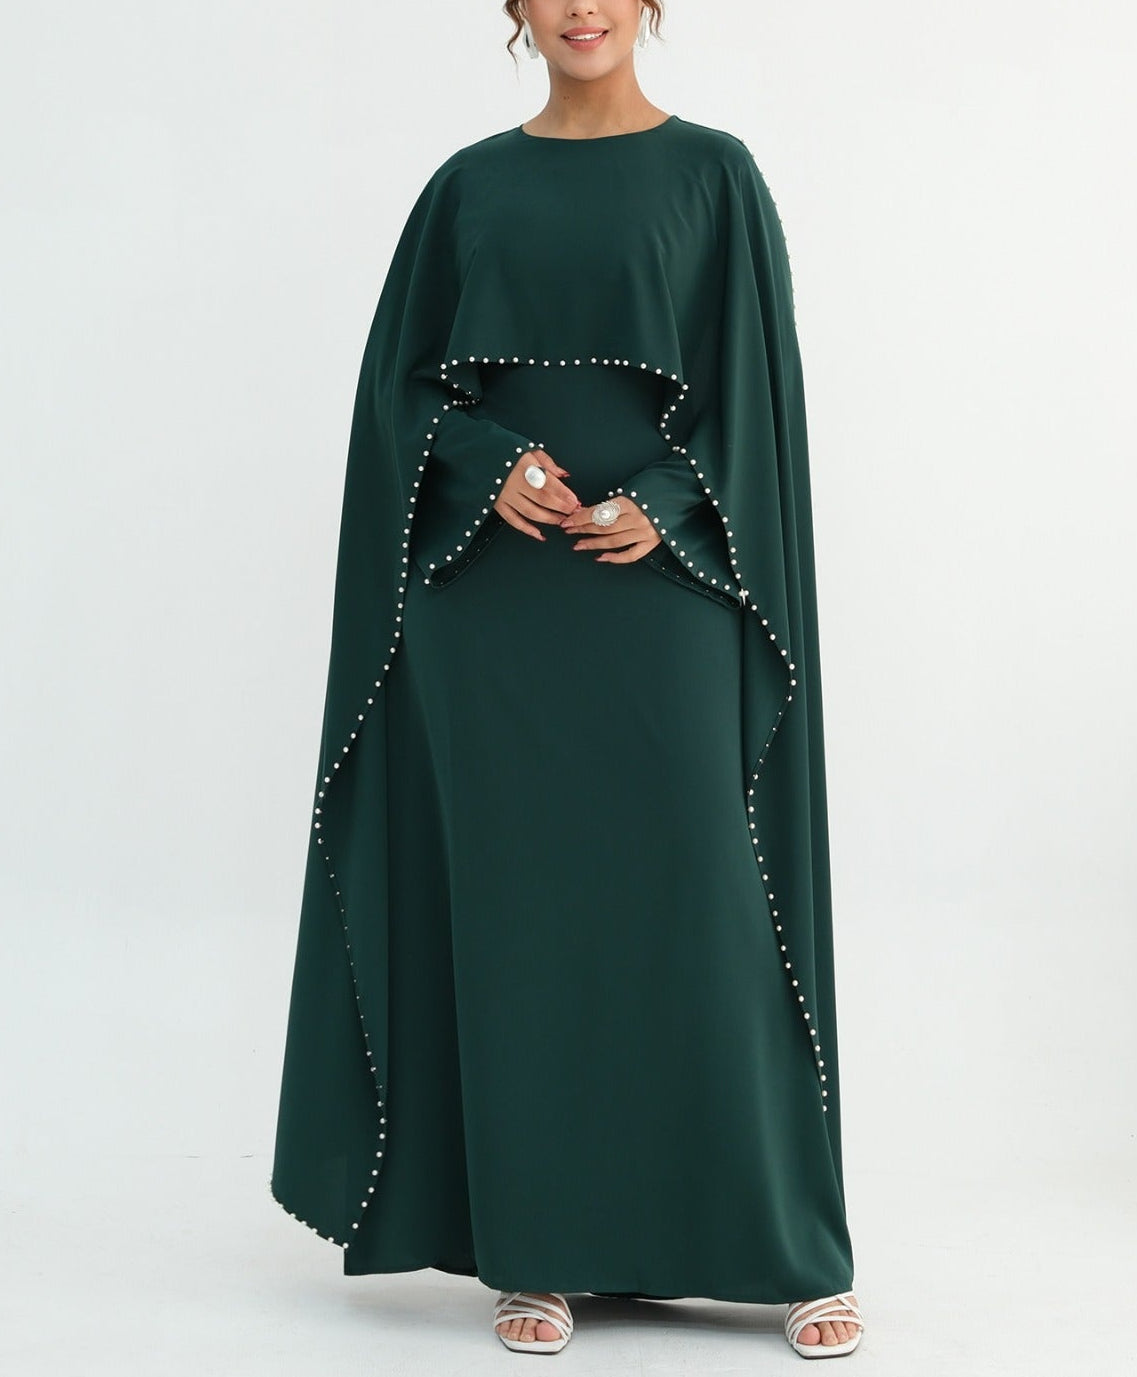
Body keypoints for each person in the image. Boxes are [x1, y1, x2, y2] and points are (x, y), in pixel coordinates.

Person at [270, 0, 864, 1359]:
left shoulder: (714, 173)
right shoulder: (468, 188)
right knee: (520, 919)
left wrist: (668, 498)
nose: (580, 5)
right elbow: (399, 392)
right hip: (497, 606)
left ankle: (786, 1247)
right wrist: (491, 464)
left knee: (705, 905)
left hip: (662, 590)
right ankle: (534, 1249)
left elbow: (754, 393)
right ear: (515, 9)